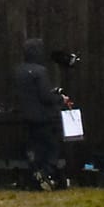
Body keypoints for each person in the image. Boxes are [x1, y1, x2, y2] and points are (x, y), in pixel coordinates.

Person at [13, 38, 72, 190]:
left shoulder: (19, 71)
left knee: (34, 147)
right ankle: (46, 173)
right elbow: (45, 96)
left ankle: (35, 174)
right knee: (52, 147)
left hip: (26, 116)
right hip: (43, 117)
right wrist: (60, 98)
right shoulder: (40, 71)